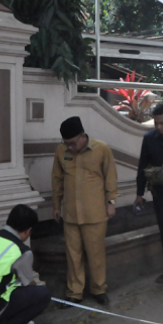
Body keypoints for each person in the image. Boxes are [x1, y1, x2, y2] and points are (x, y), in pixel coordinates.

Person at [52, 116, 119, 308]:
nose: (70, 148)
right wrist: (56, 205)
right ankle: (75, 293)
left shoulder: (102, 149)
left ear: (83, 136)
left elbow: (110, 177)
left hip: (95, 213)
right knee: (73, 255)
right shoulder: (61, 151)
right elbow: (56, 180)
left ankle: (99, 289)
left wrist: (111, 202)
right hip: (71, 214)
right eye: (66, 144)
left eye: (72, 143)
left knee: (96, 254)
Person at [134, 103, 163, 284]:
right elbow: (143, 165)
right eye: (156, 123)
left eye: (162, 123)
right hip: (160, 194)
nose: (159, 127)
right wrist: (139, 193)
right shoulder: (149, 138)